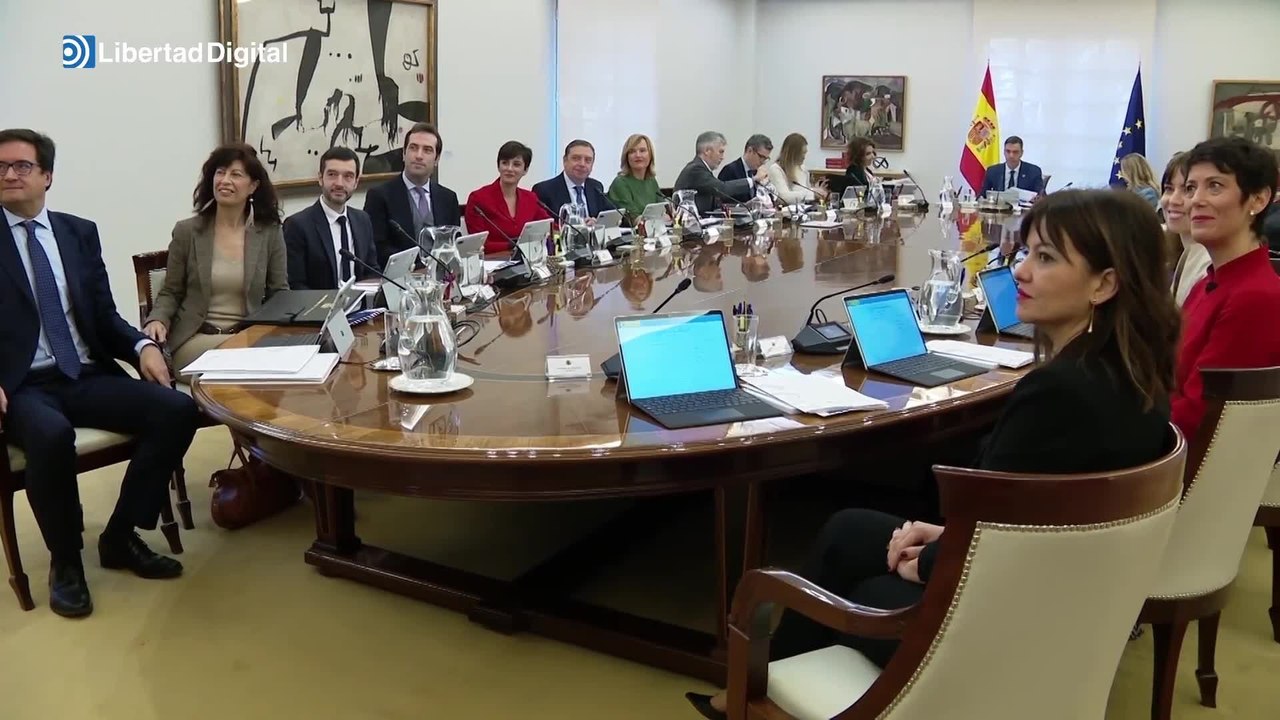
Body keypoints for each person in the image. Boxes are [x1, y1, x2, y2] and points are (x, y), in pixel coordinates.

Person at [686, 189, 1180, 718]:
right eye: (1026, 253)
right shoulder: (1132, 373)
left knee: (839, 581)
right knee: (850, 529)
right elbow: (1035, 514)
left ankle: (755, 695)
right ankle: (751, 691)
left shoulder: (1059, 392)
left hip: (988, 636)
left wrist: (926, 562)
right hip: (1059, 600)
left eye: (1046, 258)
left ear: (1104, 284)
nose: (1020, 272)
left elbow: (992, 550)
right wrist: (945, 536)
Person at [0, 128, 200, 618]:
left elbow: (104, 315)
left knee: (177, 409)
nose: (8, 174)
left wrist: (139, 346)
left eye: (21, 166)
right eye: (0, 167)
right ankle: (66, 561)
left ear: (47, 175)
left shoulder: (78, 232)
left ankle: (120, 535)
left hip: (85, 371)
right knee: (50, 436)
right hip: (23, 384)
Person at [144, 144, 290, 375]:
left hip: (247, 339)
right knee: (253, 366)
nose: (225, 180)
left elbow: (279, 294)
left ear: (253, 186)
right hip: (196, 340)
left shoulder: (269, 233)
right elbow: (171, 291)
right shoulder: (187, 232)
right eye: (220, 172)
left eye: (236, 174)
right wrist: (157, 320)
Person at [1171, 136, 1280, 442]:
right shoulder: (1210, 282)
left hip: (1176, 470)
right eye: (1192, 187)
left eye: (1215, 186)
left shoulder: (1256, 297)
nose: (1195, 200)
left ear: (1258, 200)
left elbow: (1198, 418)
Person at [364, 122, 462, 266]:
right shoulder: (379, 196)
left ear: (437, 159)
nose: (419, 156)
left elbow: (453, 245)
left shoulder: (448, 198)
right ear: (404, 154)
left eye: (427, 150)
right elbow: (377, 248)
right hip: (399, 279)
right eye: (413, 148)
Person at [283, 146, 377, 289]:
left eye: (348, 176)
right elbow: (296, 285)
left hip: (361, 309)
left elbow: (371, 270)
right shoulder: (297, 225)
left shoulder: (362, 220)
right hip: (321, 309)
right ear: (320, 178)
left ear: (356, 182)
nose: (339, 183)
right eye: (332, 174)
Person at [464, 141, 552, 255]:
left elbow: (549, 226)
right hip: (491, 265)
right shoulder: (478, 198)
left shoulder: (530, 198)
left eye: (516, 164)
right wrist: (512, 245)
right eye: (505, 163)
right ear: (498, 166)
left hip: (524, 263)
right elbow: (476, 244)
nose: (509, 169)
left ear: (525, 170)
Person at [1162, 152, 1211, 308]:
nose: (1173, 200)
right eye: (1169, 189)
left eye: (1188, 190)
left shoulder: (1209, 265)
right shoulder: (1180, 253)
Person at [673, 132, 762, 215]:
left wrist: (744, 206)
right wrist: (753, 180)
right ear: (707, 151)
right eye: (721, 152)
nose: (723, 157)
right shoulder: (696, 169)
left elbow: (717, 205)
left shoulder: (703, 169)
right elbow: (722, 189)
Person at [532, 140, 616, 219]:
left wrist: (596, 224)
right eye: (576, 158)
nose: (582, 164)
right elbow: (545, 226)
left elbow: (609, 217)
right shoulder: (544, 190)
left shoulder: (596, 187)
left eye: (588, 160)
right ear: (565, 161)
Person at [607, 133, 666, 218]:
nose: (638, 155)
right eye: (632, 151)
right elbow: (632, 217)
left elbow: (663, 206)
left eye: (642, 151)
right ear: (626, 157)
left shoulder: (651, 180)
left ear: (650, 155)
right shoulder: (620, 183)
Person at [767, 133, 828, 205]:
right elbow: (784, 198)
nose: (804, 157)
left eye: (805, 153)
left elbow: (805, 193)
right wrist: (813, 193)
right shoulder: (776, 169)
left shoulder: (803, 168)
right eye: (802, 153)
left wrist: (816, 190)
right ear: (793, 153)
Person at [980, 136, 1044, 196]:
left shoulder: (1033, 171)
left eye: (1015, 152)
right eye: (1008, 151)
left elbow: (1041, 196)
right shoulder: (993, 171)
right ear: (1004, 152)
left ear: (1021, 153)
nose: (1011, 155)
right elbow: (982, 195)